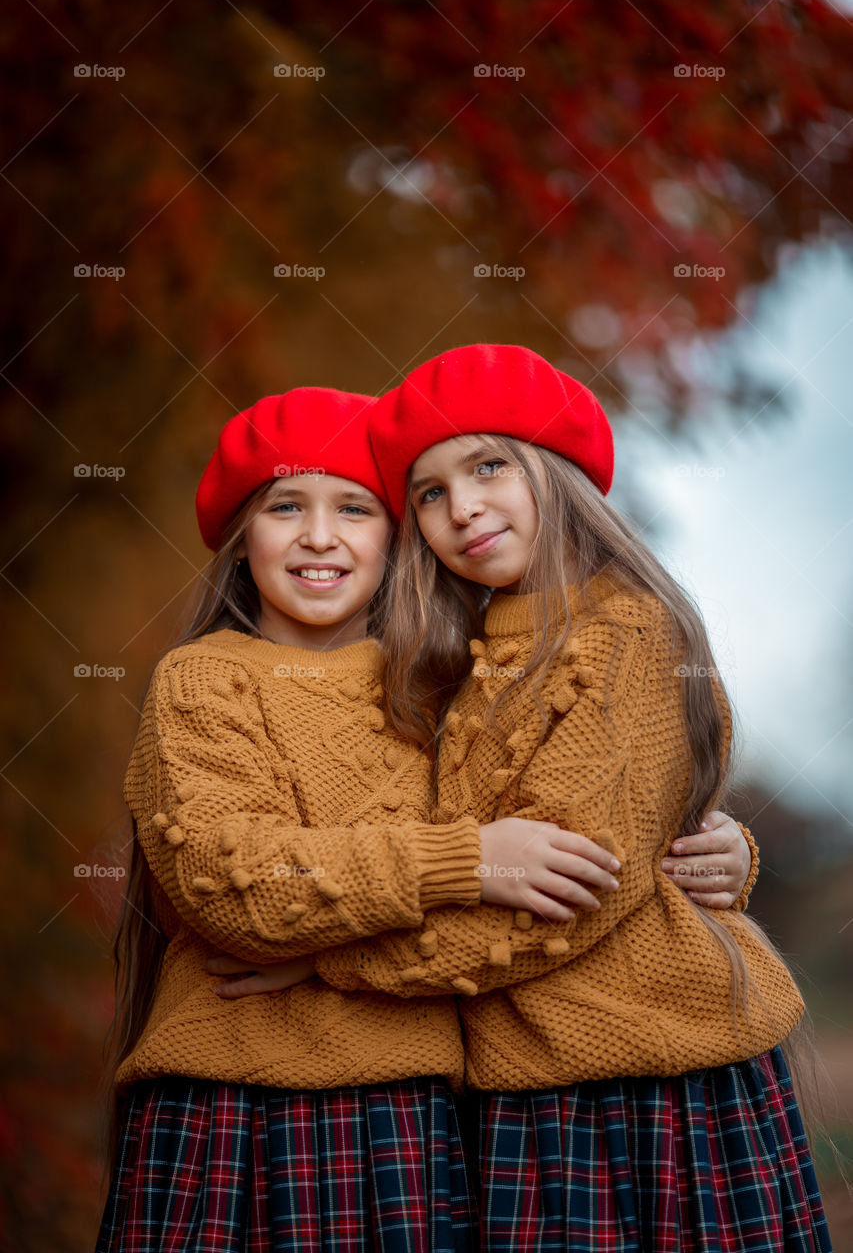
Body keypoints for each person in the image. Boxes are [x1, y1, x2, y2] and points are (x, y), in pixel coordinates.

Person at [99, 382, 754, 1253]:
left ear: (396, 542)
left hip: (433, 1108)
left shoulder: (446, 684)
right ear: (240, 539)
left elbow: (572, 831)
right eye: (284, 506)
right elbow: (232, 878)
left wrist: (712, 845)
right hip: (244, 1096)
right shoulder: (203, 679)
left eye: (357, 510)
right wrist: (463, 859)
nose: (320, 536)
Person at [304, 345, 832, 1251]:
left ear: (558, 474)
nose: (460, 507)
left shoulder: (625, 629)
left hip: (648, 1080)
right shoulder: (464, 666)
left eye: (487, 466)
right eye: (427, 493)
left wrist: (332, 965)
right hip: (522, 1079)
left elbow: (569, 897)